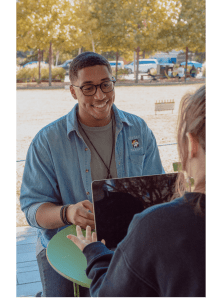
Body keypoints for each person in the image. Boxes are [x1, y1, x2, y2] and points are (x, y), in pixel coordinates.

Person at [20, 51, 165, 297]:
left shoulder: (138, 129)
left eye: (105, 85)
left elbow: (159, 192)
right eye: (88, 88)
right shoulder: (47, 141)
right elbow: (33, 210)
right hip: (66, 244)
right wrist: (68, 213)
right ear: (73, 91)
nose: (100, 95)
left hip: (129, 239)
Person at [68, 84, 206, 297]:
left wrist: (94, 252)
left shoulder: (156, 226)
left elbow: (109, 293)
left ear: (192, 143)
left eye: (106, 84)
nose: (100, 94)